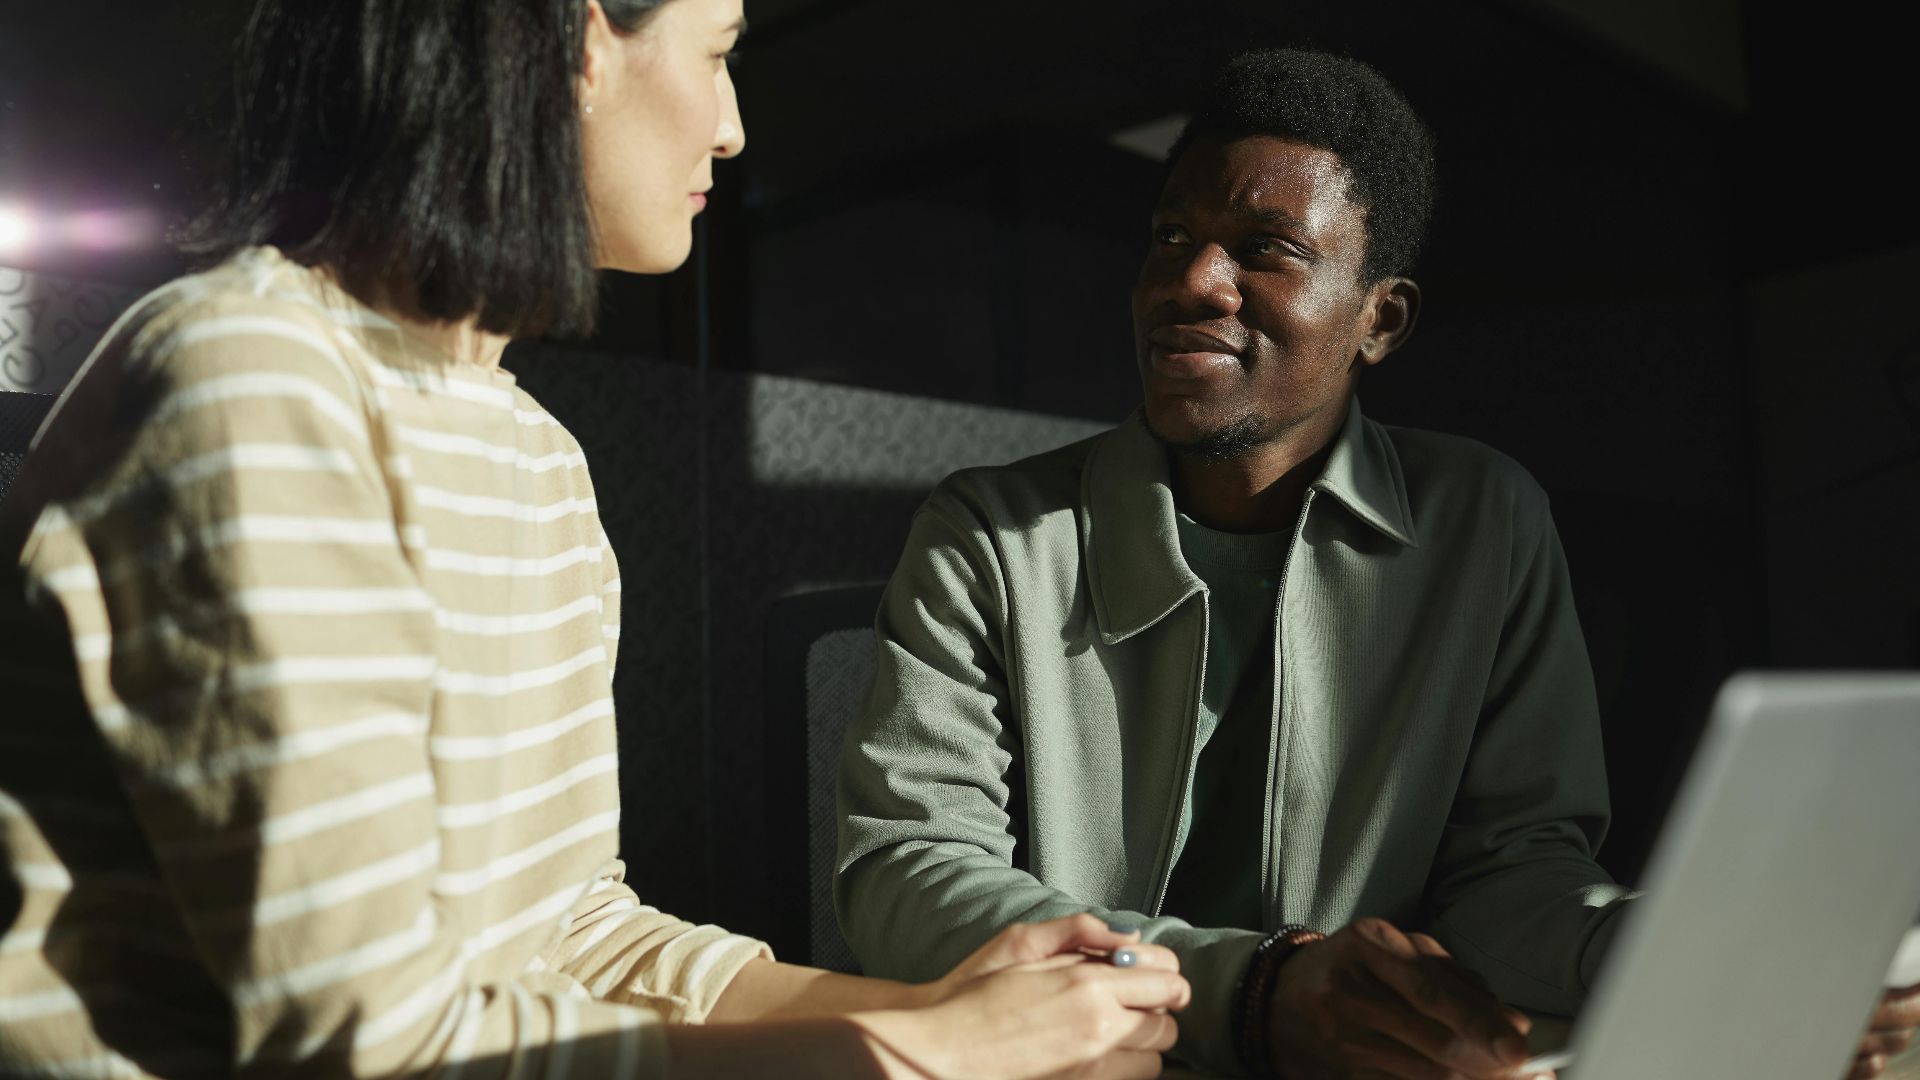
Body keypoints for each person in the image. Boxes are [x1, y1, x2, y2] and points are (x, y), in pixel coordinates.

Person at [0, 0, 1191, 1077]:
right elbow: (365, 1037)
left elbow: (573, 927)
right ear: (579, 44)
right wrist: (923, 1056)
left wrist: (935, 1007)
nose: (730, 127)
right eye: (718, 53)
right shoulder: (254, 382)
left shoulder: (534, 455)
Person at [835, 47, 1920, 1080]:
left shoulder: (1484, 519)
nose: (1192, 280)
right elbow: (906, 878)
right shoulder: (988, 532)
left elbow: (1513, 873)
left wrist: (1668, 955)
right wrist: (1253, 991)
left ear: (1380, 321)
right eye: (1170, 237)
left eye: (1265, 248)